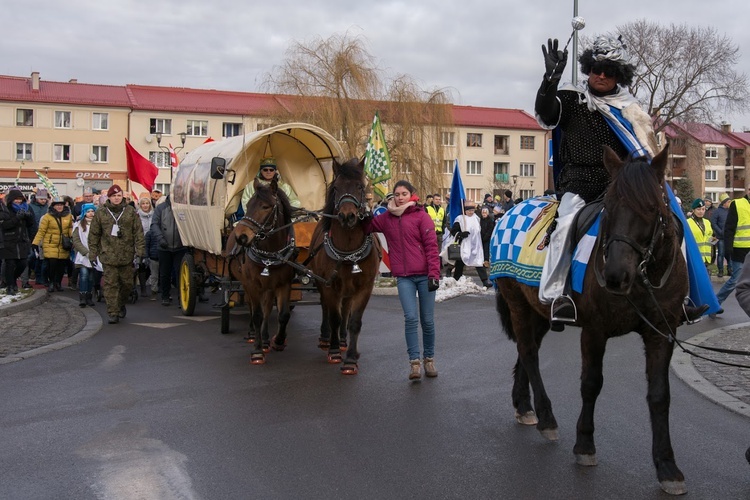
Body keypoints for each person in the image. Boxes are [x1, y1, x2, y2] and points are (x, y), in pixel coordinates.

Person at [535, 34, 708, 327]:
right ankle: (557, 296)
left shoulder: (631, 110)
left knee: (672, 221)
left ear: (619, 76)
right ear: (588, 69)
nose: (601, 75)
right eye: (595, 69)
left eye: (609, 71)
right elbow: (546, 113)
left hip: (624, 186)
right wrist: (549, 81)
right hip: (580, 183)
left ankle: (679, 300)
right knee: (565, 223)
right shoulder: (571, 98)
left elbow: (645, 152)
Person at [366, 180, 441, 381]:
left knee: (427, 321)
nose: (400, 197)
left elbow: (432, 248)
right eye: (397, 194)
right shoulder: (386, 218)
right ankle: (414, 363)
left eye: (404, 193)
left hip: (425, 276)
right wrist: (365, 207)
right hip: (404, 277)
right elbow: (366, 227)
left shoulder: (421, 217)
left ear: (412, 195)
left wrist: (434, 274)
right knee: (410, 318)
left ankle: (429, 359)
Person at [88, 184, 145, 324]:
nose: (117, 198)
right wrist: (93, 253)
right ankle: (113, 312)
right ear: (109, 197)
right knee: (110, 285)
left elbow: (138, 232)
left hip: (126, 255)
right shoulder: (101, 212)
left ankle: (120, 304)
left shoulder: (130, 211)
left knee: (126, 284)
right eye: (114, 196)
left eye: (119, 195)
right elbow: (94, 234)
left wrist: (140, 251)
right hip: (108, 255)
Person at [713, 186, 750, 317]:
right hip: (740, 251)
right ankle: (715, 304)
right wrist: (729, 249)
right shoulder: (738, 204)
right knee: (735, 281)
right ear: (748, 191)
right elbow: (729, 228)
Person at [32, 195, 73, 292]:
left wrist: (71, 237)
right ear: (53, 206)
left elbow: (71, 228)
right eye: (57, 205)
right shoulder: (47, 217)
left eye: (61, 205)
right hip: (50, 244)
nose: (59, 207)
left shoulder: (69, 216)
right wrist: (35, 243)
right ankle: (51, 282)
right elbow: (41, 231)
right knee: (52, 264)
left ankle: (58, 283)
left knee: (61, 266)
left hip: (64, 244)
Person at [151, 195, 186, 306]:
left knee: (180, 273)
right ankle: (165, 296)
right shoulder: (160, 208)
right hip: (164, 247)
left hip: (180, 247)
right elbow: (154, 225)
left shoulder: (184, 207)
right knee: (165, 273)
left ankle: (182, 297)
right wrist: (160, 239)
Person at [445, 202, 492, 287]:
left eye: (472, 210)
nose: (471, 212)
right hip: (464, 244)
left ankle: (485, 281)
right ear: (465, 211)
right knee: (460, 263)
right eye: (469, 210)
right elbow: (453, 231)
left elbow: (480, 230)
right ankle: (456, 279)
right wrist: (460, 234)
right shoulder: (460, 219)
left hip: (475, 245)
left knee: (478, 262)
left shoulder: (476, 218)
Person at [0, 190, 35, 295]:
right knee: (10, 264)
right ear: (11, 200)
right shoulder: (6, 210)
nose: (18, 201)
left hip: (22, 241)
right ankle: (10, 286)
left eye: (20, 199)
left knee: (23, 263)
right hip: (9, 241)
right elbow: (4, 226)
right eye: (16, 199)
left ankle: (12, 280)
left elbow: (31, 225)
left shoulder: (26, 208)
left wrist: (29, 218)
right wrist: (17, 218)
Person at [71, 203, 101, 307]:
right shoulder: (78, 225)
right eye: (88, 212)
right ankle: (82, 297)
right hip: (83, 255)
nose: (91, 214)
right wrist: (85, 252)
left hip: (95, 255)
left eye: (92, 211)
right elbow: (76, 240)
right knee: (84, 275)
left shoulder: (98, 225)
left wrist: (95, 252)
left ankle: (89, 296)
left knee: (91, 277)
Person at [28, 188, 50, 286]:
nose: (43, 201)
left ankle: (42, 276)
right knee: (34, 257)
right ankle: (35, 273)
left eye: (45, 199)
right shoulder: (30, 207)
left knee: (43, 258)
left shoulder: (48, 207)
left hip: (46, 236)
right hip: (33, 234)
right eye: (41, 199)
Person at [686, 199, 714, 270]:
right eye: (698, 209)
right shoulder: (688, 223)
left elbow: (710, 238)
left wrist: (713, 252)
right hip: (695, 258)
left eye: (703, 209)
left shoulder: (707, 222)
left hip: (707, 258)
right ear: (693, 210)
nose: (701, 211)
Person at [136, 195, 155, 297]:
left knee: (151, 264)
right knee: (141, 265)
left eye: (147, 203)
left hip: (152, 243)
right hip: (141, 242)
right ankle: (143, 287)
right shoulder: (137, 215)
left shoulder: (154, 214)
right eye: (143, 203)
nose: (145, 205)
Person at [710, 194, 732, 278]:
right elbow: (713, 223)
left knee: (729, 254)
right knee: (721, 254)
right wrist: (720, 232)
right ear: (724, 203)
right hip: (720, 238)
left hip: (729, 237)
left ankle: (730, 270)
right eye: (728, 201)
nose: (730, 203)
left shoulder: (730, 211)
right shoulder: (717, 212)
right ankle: (721, 271)